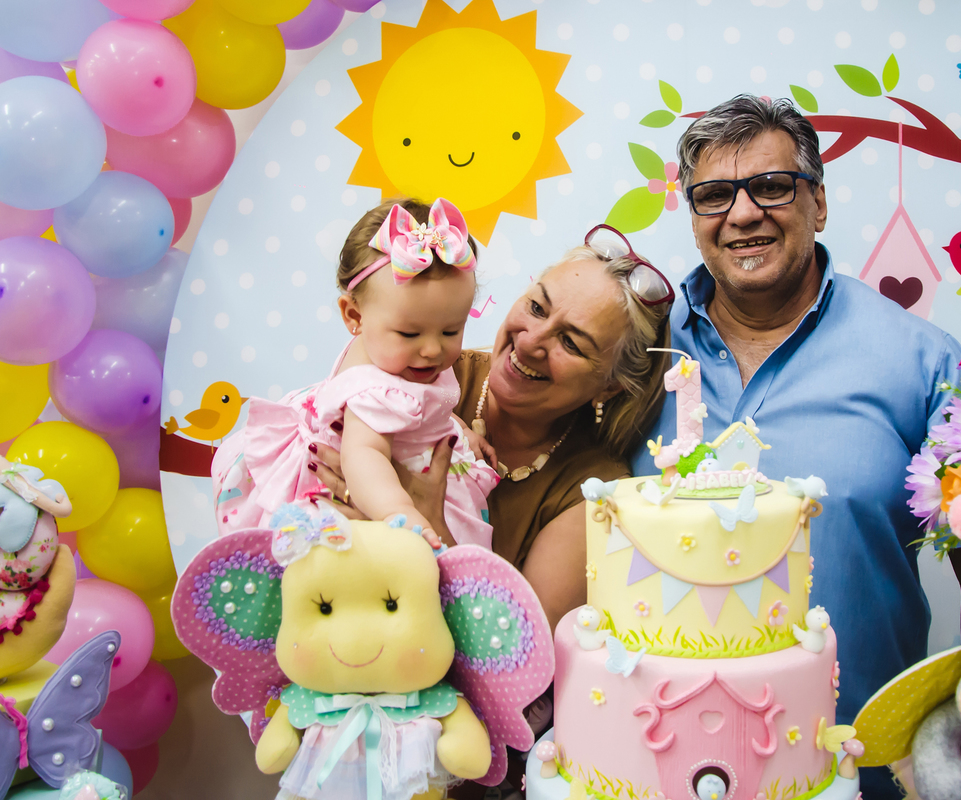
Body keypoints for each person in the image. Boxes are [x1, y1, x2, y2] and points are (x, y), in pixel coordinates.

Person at [631, 95, 961, 799]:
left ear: (820, 203)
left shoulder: (923, 362)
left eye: (773, 186)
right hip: (644, 764)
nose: (743, 215)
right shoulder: (634, 350)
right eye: (713, 196)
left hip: (860, 770)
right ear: (693, 218)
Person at [315, 224, 675, 632]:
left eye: (571, 343)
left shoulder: (591, 491)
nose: (529, 342)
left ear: (608, 386)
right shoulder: (424, 368)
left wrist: (428, 533)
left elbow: (518, 649)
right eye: (537, 308)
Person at [211, 197, 499, 550]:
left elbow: (420, 405)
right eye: (410, 334)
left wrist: (458, 428)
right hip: (374, 488)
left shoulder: (391, 354)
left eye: (451, 331)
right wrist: (402, 515)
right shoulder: (373, 395)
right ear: (354, 316)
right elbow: (364, 456)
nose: (432, 350)